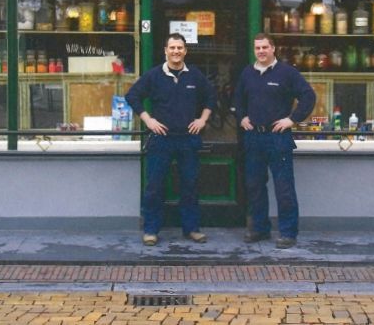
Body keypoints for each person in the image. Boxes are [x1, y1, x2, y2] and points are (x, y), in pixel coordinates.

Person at [125, 33, 216, 246]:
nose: (176, 51)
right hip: (161, 138)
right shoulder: (154, 75)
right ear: (165, 50)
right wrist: (148, 120)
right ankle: (151, 230)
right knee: (155, 186)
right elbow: (132, 96)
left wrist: (202, 119)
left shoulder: (195, 76)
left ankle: (192, 229)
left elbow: (211, 96)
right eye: (172, 48)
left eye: (180, 48)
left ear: (186, 51)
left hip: (188, 139)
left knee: (190, 185)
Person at [234, 33, 316, 249]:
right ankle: (260, 229)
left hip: (278, 138)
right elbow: (237, 99)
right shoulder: (247, 74)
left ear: (273, 48)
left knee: (284, 186)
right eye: (257, 48)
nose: (261, 51)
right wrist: (242, 117)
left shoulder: (287, 73)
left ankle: (288, 233)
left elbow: (308, 96)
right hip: (254, 137)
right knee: (254, 186)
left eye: (264, 47)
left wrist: (292, 120)